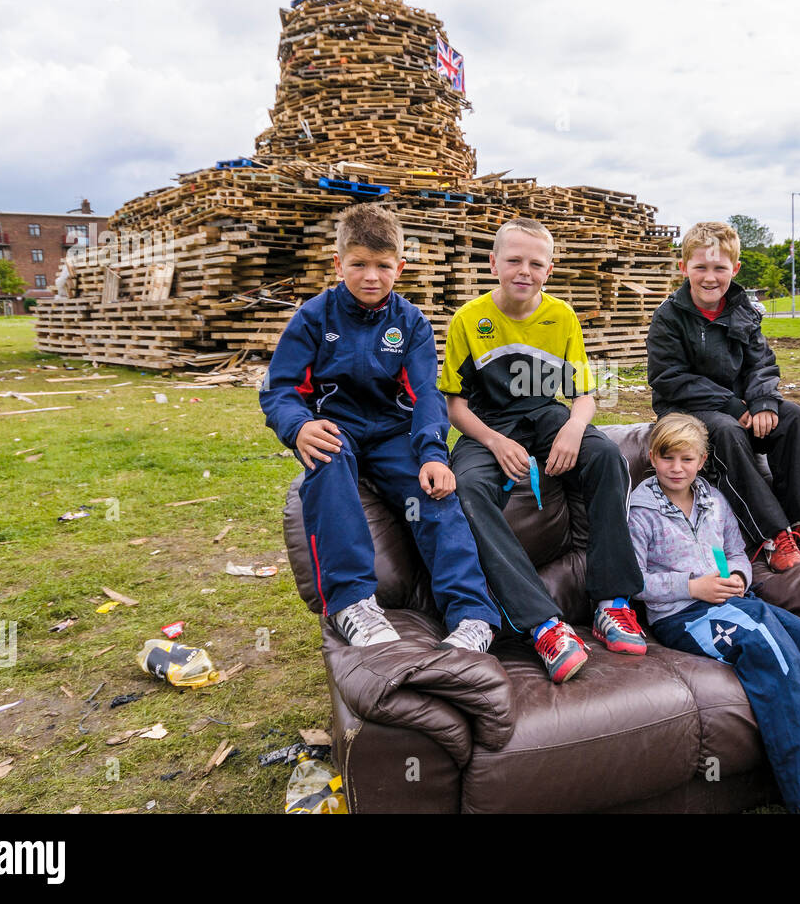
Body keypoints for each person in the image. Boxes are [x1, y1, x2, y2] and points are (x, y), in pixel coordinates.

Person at [628, 413, 800, 814]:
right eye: (668, 458)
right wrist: (693, 587)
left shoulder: (713, 499)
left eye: (686, 459)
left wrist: (739, 575)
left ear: (702, 460)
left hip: (735, 603)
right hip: (684, 616)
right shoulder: (640, 510)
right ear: (653, 457)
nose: (677, 468)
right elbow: (633, 579)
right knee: (775, 657)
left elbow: (736, 551)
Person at [259, 203, 501, 652]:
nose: (371, 276)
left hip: (394, 432)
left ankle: (472, 616)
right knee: (327, 463)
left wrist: (432, 454)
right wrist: (298, 428)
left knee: (435, 491)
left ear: (400, 267)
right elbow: (280, 388)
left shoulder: (411, 324)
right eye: (359, 265)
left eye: (383, 266)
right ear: (338, 264)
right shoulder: (313, 318)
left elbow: (427, 393)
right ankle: (353, 602)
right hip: (335, 425)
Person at [440, 217, 646, 683]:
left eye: (535, 263)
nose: (523, 271)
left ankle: (612, 603)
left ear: (549, 270)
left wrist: (575, 425)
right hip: (486, 423)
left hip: (547, 414)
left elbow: (584, 394)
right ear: (493, 263)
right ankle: (544, 624)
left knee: (606, 456)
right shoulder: (469, 320)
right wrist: (493, 441)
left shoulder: (562, 316)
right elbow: (454, 404)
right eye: (513, 260)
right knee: (468, 487)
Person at [646, 220, 800, 572]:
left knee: (792, 416)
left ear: (735, 268)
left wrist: (764, 402)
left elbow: (761, 363)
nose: (709, 277)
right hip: (685, 411)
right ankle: (772, 535)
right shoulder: (668, 317)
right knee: (726, 430)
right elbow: (668, 378)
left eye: (719, 268)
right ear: (684, 267)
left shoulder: (744, 311)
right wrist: (734, 406)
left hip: (742, 406)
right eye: (700, 267)